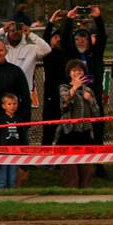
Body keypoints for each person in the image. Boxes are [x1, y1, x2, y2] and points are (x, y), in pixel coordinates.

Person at [62, 5, 108, 143]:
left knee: (97, 125)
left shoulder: (94, 54)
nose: (81, 41)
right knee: (75, 128)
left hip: (93, 93)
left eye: (84, 39)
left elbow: (102, 38)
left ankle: (98, 160)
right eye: (77, 39)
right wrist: (69, 19)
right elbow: (64, 39)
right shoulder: (71, 55)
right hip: (75, 94)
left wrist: (98, 18)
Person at [55, 60, 101, 188]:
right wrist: (74, 88)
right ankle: (69, 196)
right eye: (74, 70)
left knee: (86, 171)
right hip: (68, 133)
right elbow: (64, 106)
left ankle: (84, 196)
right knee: (70, 172)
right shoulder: (64, 88)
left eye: (80, 70)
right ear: (69, 73)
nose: (77, 73)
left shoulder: (88, 91)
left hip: (85, 133)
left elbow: (97, 113)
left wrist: (91, 100)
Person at [0, 19, 51, 91]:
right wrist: (2, 30)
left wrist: (30, 34)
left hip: (24, 90)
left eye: (18, 30)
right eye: (12, 30)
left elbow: (47, 49)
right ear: (7, 32)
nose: (15, 32)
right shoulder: (2, 48)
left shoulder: (31, 49)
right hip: (4, 92)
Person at [0, 40, 32, 140]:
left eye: (1, 50)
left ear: (6, 51)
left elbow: (25, 96)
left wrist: (26, 120)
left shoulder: (16, 71)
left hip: (11, 118)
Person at [41, 10, 68, 145]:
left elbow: (67, 37)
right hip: (51, 92)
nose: (58, 40)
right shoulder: (48, 53)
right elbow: (45, 38)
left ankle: (60, 154)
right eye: (55, 37)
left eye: (59, 38)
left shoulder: (64, 54)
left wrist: (68, 20)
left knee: (63, 124)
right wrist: (52, 21)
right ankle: (45, 151)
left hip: (64, 91)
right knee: (49, 123)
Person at [0, 93, 22, 189]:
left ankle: (12, 196)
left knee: (12, 177)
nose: (12, 106)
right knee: (2, 177)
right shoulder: (0, 120)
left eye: (14, 103)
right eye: (9, 104)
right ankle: (1, 196)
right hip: (2, 153)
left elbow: (22, 136)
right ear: (3, 106)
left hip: (15, 152)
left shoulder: (19, 120)